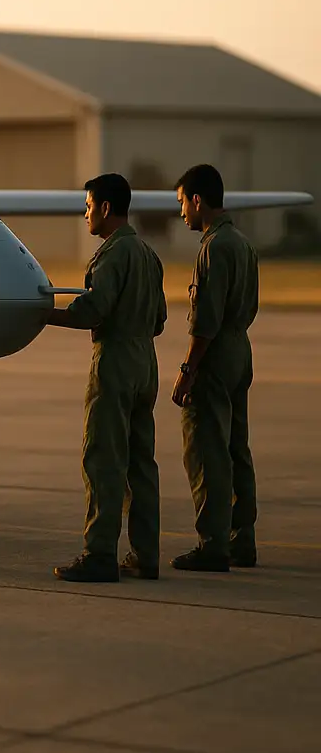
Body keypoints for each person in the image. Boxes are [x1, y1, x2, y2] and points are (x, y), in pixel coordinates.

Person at [46, 173, 166, 583]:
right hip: (145, 363)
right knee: (141, 464)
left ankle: (99, 553)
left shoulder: (112, 255)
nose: (85, 213)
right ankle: (146, 554)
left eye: (89, 205)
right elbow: (161, 321)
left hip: (114, 361)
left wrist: (45, 314)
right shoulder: (148, 255)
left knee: (103, 460)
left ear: (106, 208)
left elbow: (93, 310)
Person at [169, 163, 260, 572]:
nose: (182, 212)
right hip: (241, 348)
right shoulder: (242, 244)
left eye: (182, 203)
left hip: (216, 352)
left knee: (207, 449)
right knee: (237, 446)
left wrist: (188, 370)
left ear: (198, 200)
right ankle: (243, 539)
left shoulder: (213, 247)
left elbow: (205, 322)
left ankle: (213, 544)